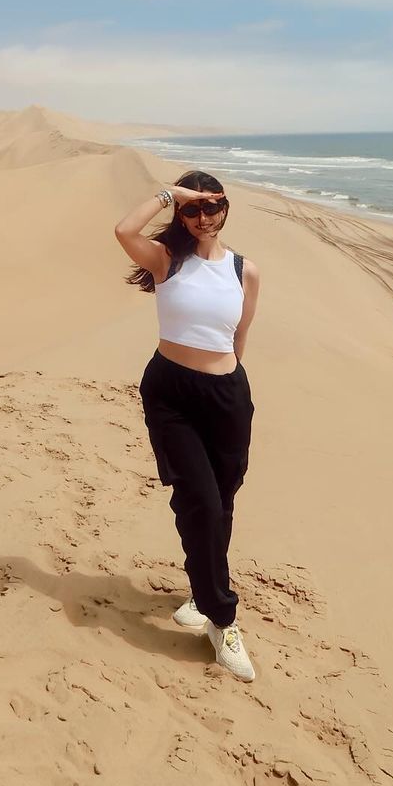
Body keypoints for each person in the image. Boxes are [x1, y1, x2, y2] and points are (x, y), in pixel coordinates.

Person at [114, 171, 260, 682]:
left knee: (222, 502)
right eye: (192, 209)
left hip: (226, 395)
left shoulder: (245, 270)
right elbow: (124, 230)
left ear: (226, 208)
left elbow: (239, 337)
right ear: (180, 213)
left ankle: (201, 592)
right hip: (171, 394)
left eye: (211, 206)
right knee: (200, 500)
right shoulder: (166, 261)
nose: (203, 217)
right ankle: (222, 619)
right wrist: (169, 195)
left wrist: (227, 388)